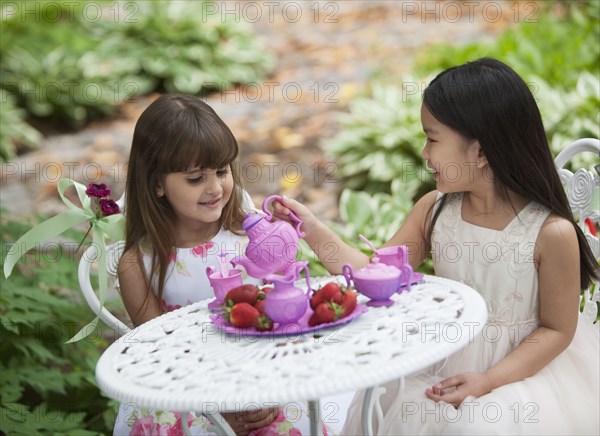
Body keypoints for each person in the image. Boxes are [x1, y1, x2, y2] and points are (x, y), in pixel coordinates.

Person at [273, 58, 600, 434]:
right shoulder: (435, 210)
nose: (425, 153)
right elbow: (371, 275)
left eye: (432, 138)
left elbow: (558, 330)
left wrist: (488, 380)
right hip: (445, 360)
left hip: (523, 372)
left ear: (479, 151)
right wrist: (311, 230)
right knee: (389, 401)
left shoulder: (549, 232)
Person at [115, 94, 302, 435]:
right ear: (157, 183)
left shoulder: (248, 234)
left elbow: (283, 313)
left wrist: (270, 386)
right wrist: (217, 408)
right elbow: (159, 354)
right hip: (183, 393)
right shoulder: (138, 263)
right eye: (195, 178)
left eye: (221, 171)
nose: (215, 188)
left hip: (260, 375)